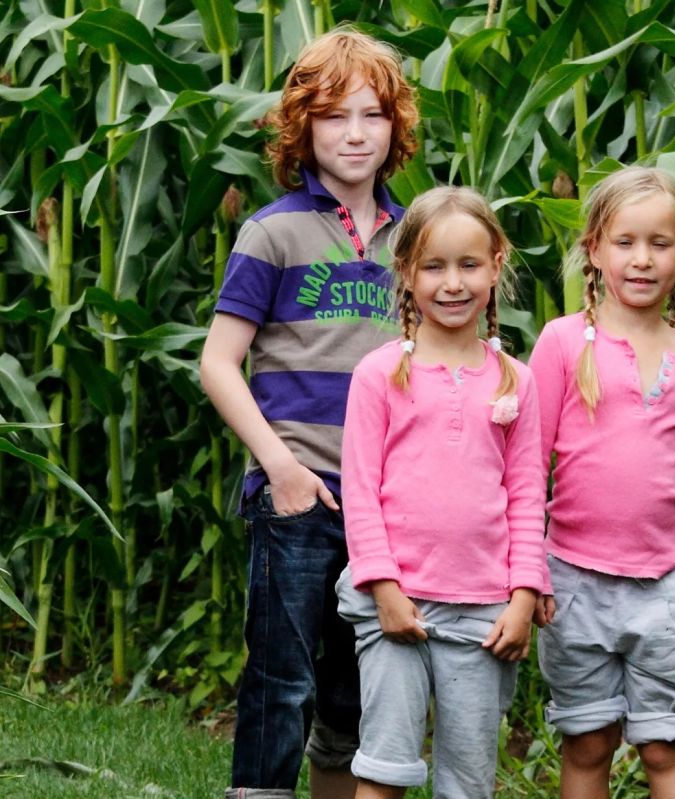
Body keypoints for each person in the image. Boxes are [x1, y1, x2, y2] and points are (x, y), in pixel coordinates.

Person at [199, 26, 418, 799]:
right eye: (332, 116)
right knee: (280, 681)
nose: (353, 134)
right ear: (302, 128)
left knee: (351, 691)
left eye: (370, 114)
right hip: (298, 496)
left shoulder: (413, 240)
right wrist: (280, 469)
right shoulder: (274, 231)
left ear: (396, 126)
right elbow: (217, 363)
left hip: (383, 503)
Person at [336, 185, 549, 799]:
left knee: (469, 776)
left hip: (484, 612)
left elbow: (528, 491)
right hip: (394, 601)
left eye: (468, 265)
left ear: (496, 265)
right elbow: (361, 490)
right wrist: (383, 588)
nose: (451, 283)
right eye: (433, 266)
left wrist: (523, 594)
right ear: (405, 272)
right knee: (386, 766)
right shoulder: (378, 375)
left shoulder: (517, 380)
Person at [527, 166, 675, 799]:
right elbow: (529, 463)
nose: (642, 260)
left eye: (659, 244)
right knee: (587, 742)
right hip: (574, 581)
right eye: (625, 242)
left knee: (667, 745)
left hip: (668, 584)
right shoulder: (561, 344)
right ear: (593, 248)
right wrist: (530, 571)